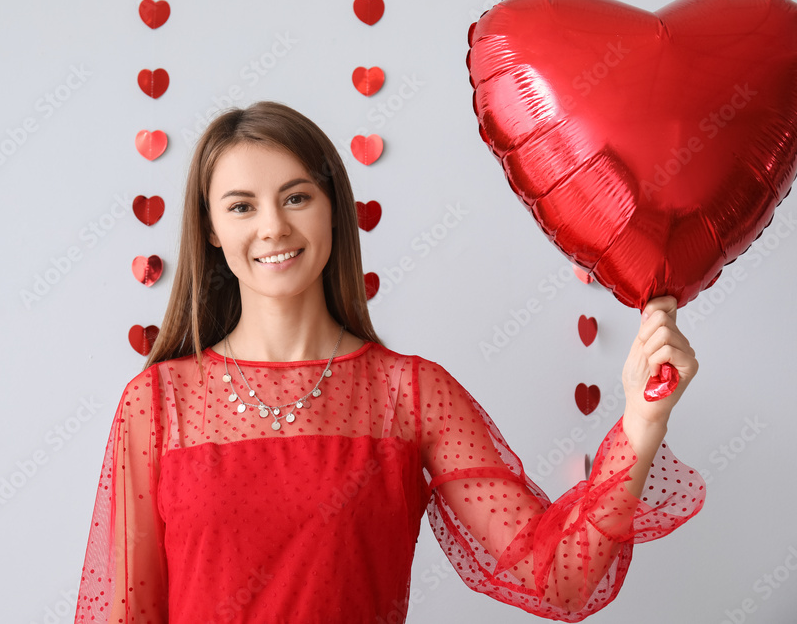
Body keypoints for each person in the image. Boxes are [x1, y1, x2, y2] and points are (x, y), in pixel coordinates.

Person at [74, 101, 705, 623]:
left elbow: (559, 578)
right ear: (211, 228)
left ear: (333, 208)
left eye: (296, 198)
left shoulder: (411, 392)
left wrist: (641, 425)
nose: (271, 227)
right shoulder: (157, 402)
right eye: (241, 206)